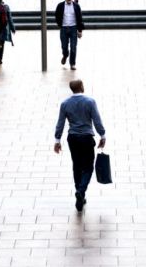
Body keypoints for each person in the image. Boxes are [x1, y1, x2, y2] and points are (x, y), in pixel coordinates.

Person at [54, 79, 106, 212]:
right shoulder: (90, 102)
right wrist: (102, 135)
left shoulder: (65, 104)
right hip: (87, 138)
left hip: (73, 138)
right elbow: (97, 120)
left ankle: (79, 192)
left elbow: (60, 123)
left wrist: (57, 140)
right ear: (82, 87)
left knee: (76, 165)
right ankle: (81, 191)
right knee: (88, 167)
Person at [55, 0, 84, 71]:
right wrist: (59, 24)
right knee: (64, 46)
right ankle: (65, 55)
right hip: (64, 28)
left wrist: (80, 30)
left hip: (73, 28)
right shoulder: (60, 5)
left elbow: (80, 18)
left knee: (73, 47)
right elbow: (56, 15)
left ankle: (72, 63)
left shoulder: (76, 6)